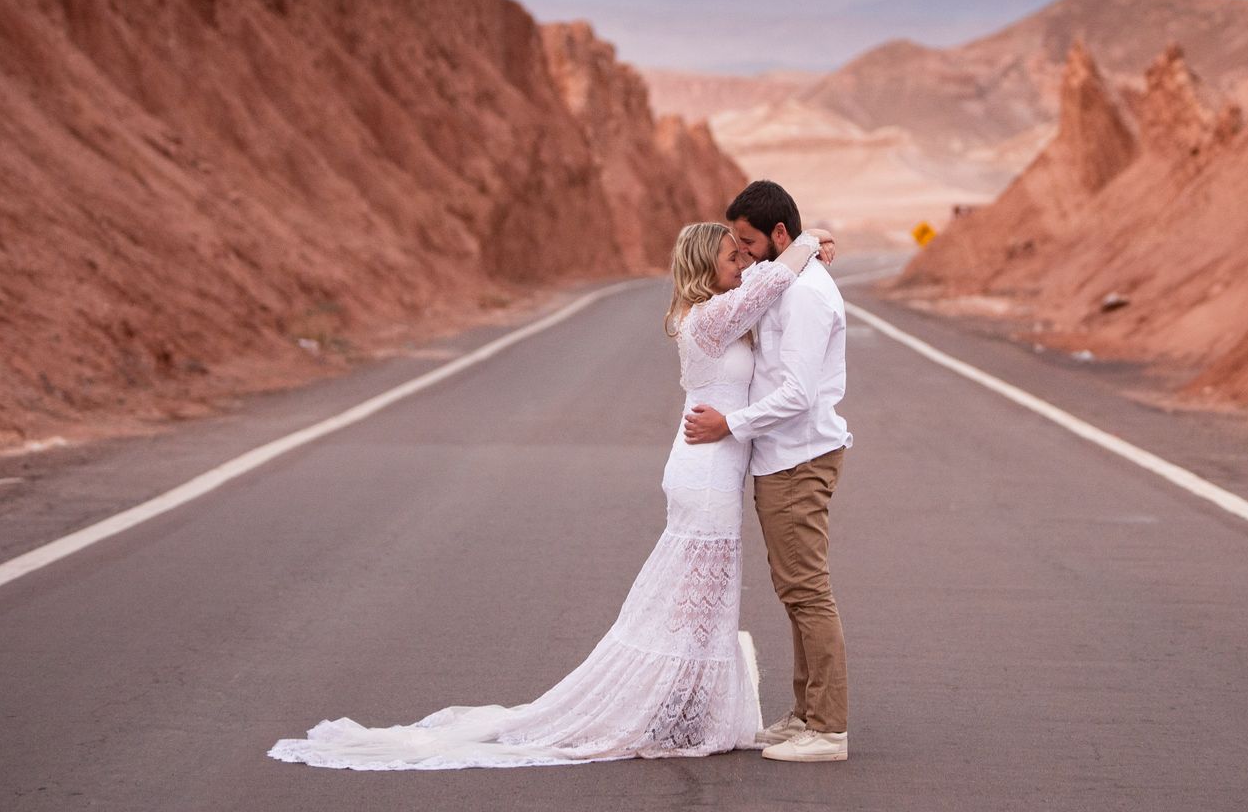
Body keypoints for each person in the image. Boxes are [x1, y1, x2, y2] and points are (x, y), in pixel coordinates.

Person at [266, 219, 834, 770]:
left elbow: (767, 290)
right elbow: (774, 281)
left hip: (712, 463)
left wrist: (804, 243)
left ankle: (686, 711)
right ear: (703, 268)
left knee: (703, 596)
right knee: (698, 596)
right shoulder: (708, 319)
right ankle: (675, 716)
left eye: (745, 253)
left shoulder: (717, 315)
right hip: (705, 469)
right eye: (733, 257)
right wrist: (808, 240)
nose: (745, 263)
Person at [683, 179, 852, 764]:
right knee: (794, 590)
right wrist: (814, 239)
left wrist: (730, 424)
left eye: (750, 241)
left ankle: (828, 728)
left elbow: (799, 394)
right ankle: (805, 714)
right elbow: (757, 282)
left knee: (808, 591)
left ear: (777, 234)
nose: (744, 254)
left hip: (799, 455)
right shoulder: (785, 272)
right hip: (780, 457)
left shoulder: (807, 296)